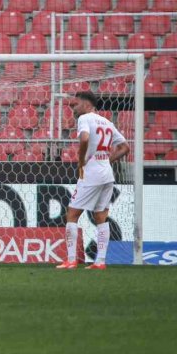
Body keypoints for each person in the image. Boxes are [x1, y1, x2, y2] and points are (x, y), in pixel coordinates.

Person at [57, 91, 130, 270]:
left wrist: (81, 161)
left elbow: (85, 138)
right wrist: (107, 160)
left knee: (72, 214)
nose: (74, 108)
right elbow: (125, 147)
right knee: (100, 216)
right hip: (107, 173)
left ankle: (72, 260)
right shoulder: (107, 122)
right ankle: (100, 262)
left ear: (87, 104)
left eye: (76, 104)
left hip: (91, 172)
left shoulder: (84, 118)